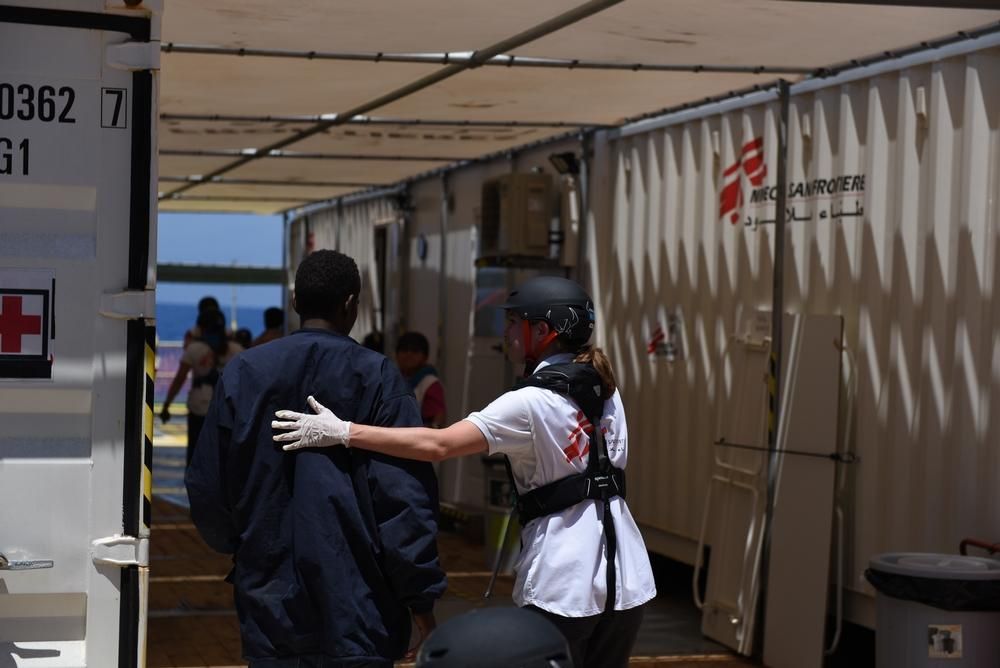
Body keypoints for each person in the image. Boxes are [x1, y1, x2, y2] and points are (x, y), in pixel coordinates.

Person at [273, 276, 656, 668]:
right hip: (627, 580)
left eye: (513, 323)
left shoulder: (528, 402)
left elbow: (438, 445)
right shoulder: (607, 390)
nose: (506, 333)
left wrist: (343, 432)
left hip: (565, 582)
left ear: (542, 330)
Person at [186, 249, 446, 667]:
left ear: (294, 303)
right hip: (360, 605)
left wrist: (247, 547)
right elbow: (404, 500)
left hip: (270, 600)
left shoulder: (244, 372)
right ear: (350, 305)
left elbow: (206, 486)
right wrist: (420, 599)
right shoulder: (377, 376)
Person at [162, 308, 244, 466]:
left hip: (199, 408)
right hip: (227, 409)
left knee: (196, 456)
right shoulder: (237, 351)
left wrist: (167, 405)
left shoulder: (194, 350)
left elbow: (180, 379)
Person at [395, 331, 446, 428]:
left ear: (425, 357)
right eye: (404, 350)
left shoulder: (430, 383)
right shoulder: (391, 377)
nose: (409, 354)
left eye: (415, 351)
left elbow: (437, 421)